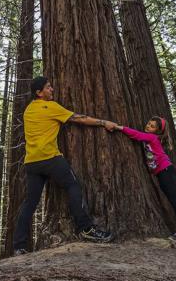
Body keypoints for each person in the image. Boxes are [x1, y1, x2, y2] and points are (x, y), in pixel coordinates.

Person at [13, 76, 114, 256]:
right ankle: (86, 229)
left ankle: (19, 246)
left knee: (30, 203)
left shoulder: (28, 110)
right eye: (48, 87)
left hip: (32, 163)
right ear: (39, 92)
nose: (52, 89)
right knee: (72, 186)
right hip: (51, 159)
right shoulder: (51, 107)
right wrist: (103, 122)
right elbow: (80, 119)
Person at [108, 116, 176, 243]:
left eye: (152, 126)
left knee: (175, 199)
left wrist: (119, 127)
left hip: (166, 171)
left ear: (158, 131)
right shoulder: (151, 138)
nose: (148, 126)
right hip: (165, 172)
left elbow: (136, 135)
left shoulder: (152, 137)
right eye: (149, 123)